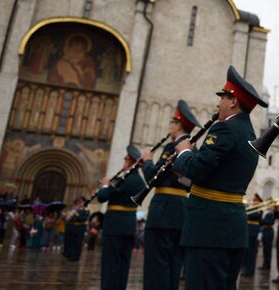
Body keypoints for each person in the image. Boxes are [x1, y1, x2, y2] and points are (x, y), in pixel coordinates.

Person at [174, 65, 267, 290]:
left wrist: (184, 151)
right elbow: (218, 172)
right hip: (230, 228)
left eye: (223, 98)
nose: (219, 104)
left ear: (233, 101)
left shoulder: (224, 129)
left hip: (210, 228)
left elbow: (197, 170)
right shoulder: (248, 133)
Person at [141, 100, 201, 290]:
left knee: (156, 264)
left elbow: (153, 178)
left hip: (163, 211)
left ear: (178, 125)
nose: (170, 127)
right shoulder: (193, 148)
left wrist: (147, 161)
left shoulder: (171, 148)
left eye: (172, 123)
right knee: (175, 263)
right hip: (181, 212)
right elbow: (191, 183)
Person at [96, 145, 147, 290]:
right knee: (124, 262)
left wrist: (105, 185)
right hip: (129, 225)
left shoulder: (123, 179)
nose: (123, 162)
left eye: (125, 159)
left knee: (111, 262)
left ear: (129, 161)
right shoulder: (139, 181)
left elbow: (102, 197)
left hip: (114, 225)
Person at [241, 194, 263, 277]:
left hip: (253, 232)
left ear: (258, 201)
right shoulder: (252, 208)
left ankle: (250, 271)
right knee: (247, 252)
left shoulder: (259, 209)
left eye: (255, 200)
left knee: (252, 253)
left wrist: (249, 208)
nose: (253, 201)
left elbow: (255, 217)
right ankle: (246, 268)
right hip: (248, 231)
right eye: (254, 200)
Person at [65, 196, 89, 261]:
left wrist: (76, 215)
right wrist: (69, 215)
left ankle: (76, 256)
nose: (80, 203)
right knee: (72, 242)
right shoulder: (75, 209)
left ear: (84, 202)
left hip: (80, 228)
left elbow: (83, 218)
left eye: (81, 202)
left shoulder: (86, 210)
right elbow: (68, 219)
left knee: (78, 242)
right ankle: (71, 255)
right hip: (73, 227)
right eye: (79, 202)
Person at [260, 205, 276, 271]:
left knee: (268, 250)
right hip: (265, 231)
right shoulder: (266, 214)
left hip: (269, 232)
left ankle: (267, 265)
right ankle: (265, 264)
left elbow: (269, 222)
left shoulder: (272, 214)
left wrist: (262, 220)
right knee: (265, 250)